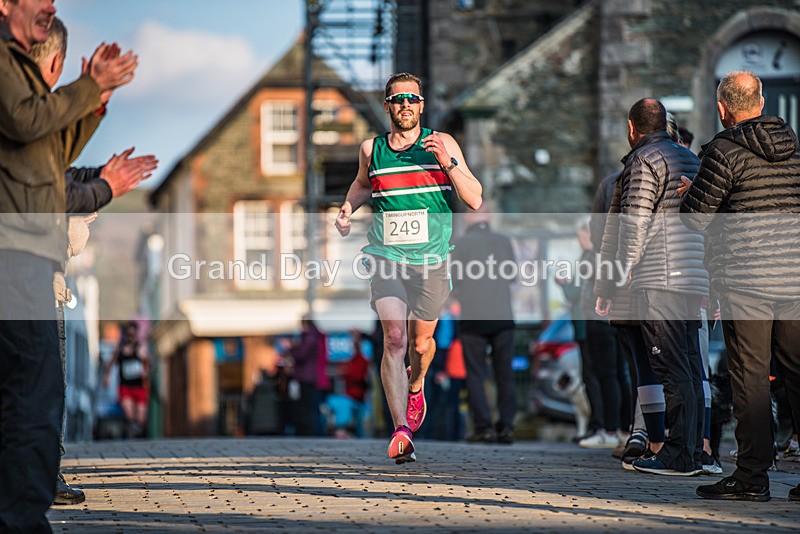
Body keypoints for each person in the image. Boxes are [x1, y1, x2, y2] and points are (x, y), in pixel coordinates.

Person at [0, 0, 137, 530]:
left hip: (27, 250)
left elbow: (48, 156)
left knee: (33, 395)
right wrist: (103, 185)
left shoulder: (16, 65)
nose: (51, 4)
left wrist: (94, 101)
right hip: (16, 251)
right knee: (34, 396)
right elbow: (31, 128)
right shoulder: (9, 67)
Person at [29, 16, 158, 506]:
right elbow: (45, 183)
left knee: (45, 377)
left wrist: (100, 170)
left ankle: (42, 472)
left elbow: (58, 170)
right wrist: (104, 188)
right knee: (45, 378)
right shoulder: (25, 109)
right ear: (56, 62)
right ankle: (40, 475)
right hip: (27, 268)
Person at [335, 72, 482, 463]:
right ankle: (401, 429)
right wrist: (349, 207)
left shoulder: (442, 143)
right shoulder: (371, 149)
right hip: (386, 257)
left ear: (421, 105)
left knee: (420, 344)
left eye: (412, 99)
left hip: (432, 260)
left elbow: (475, 199)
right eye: (397, 99)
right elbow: (363, 184)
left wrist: (447, 162)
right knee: (395, 340)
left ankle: (416, 382)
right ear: (387, 106)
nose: (405, 105)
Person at [681, 70, 800, 502]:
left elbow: (695, 218)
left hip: (746, 279)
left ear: (722, 108)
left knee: (750, 376)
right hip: (794, 277)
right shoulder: (793, 148)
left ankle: (751, 477)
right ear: (763, 103)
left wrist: (690, 190)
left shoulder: (723, 150)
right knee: (796, 371)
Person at [597, 98, 708, 476]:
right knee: (690, 366)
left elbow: (634, 221)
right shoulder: (690, 158)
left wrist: (620, 272)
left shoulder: (644, 160)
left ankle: (677, 454)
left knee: (670, 367)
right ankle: (693, 451)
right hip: (693, 277)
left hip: (659, 278)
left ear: (632, 127)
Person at [451, 205, 517, 444]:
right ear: (489, 216)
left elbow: (453, 279)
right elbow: (512, 276)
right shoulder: (503, 241)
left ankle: (484, 428)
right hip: (502, 316)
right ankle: (507, 427)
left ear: (469, 218)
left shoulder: (460, 244)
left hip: (473, 317)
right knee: (505, 374)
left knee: (476, 374)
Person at [104, 322, 150, 438]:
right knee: (130, 415)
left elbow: (148, 363)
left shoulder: (141, 348)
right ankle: (131, 433)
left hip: (139, 386)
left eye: (133, 335)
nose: (131, 337)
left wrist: (145, 366)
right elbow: (111, 363)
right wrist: (107, 376)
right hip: (126, 386)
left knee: (141, 418)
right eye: (129, 335)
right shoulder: (120, 349)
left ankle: (139, 433)